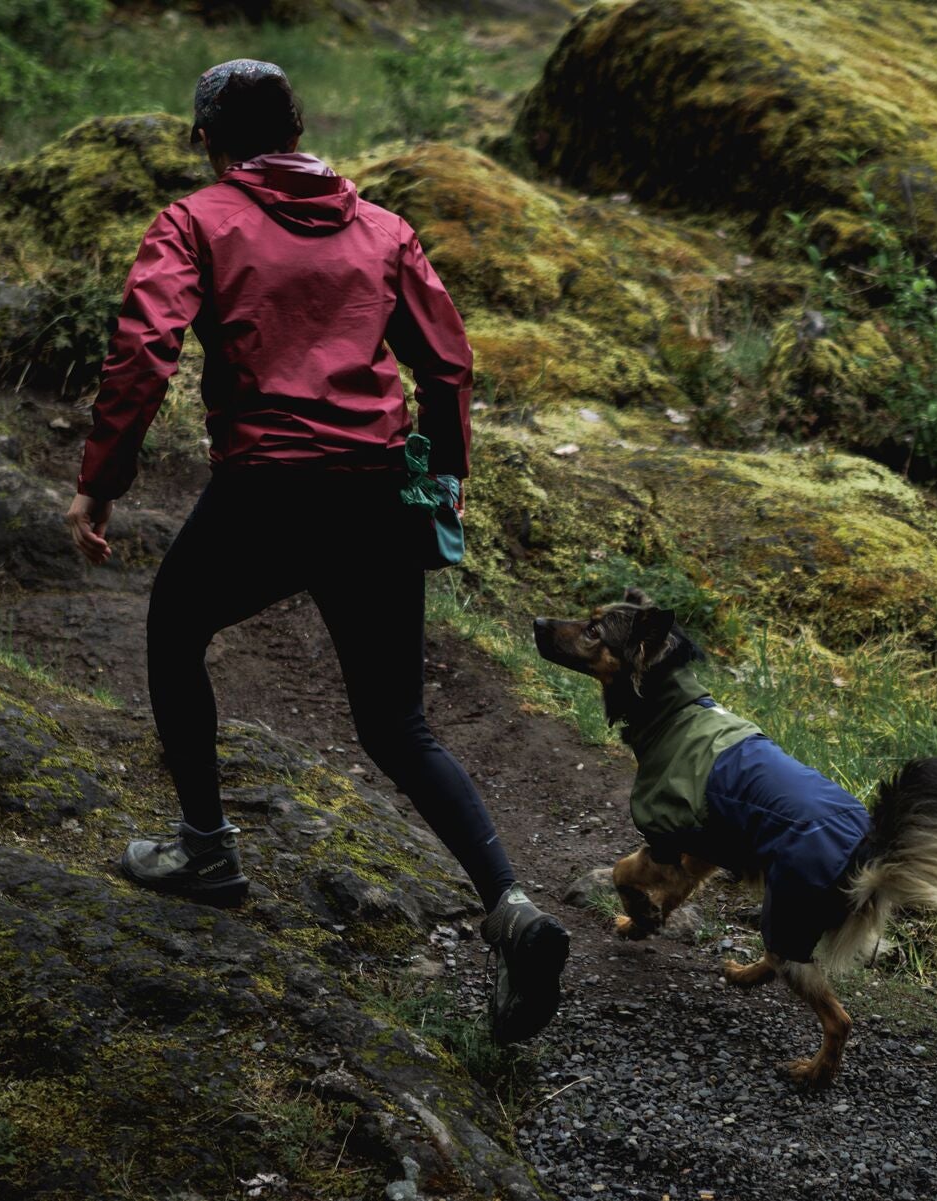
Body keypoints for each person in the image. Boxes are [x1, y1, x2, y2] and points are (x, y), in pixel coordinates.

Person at [63, 59, 568, 1043]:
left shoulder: (196, 220)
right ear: (297, 130)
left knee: (174, 624)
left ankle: (207, 849)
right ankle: (509, 905)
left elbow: (144, 348)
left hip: (269, 490)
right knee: (396, 724)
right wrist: (449, 469)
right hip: (376, 493)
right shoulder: (382, 228)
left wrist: (102, 476)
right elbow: (448, 362)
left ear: (211, 140)